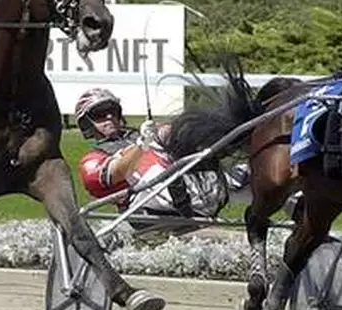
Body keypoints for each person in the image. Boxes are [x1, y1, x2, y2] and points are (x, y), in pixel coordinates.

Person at [74, 88, 233, 218]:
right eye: (100, 114)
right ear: (86, 123)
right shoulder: (91, 161)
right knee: (156, 172)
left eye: (113, 111)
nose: (109, 116)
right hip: (144, 213)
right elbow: (118, 171)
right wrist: (143, 144)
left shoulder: (146, 135)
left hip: (190, 190)